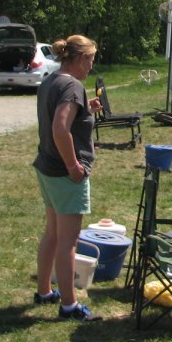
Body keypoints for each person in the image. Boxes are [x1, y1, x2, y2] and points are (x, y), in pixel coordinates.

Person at [32, 34, 103, 321]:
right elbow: (60, 129)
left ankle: (44, 291)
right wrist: (74, 165)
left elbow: (61, 115)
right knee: (68, 242)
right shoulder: (72, 86)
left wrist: (87, 108)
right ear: (81, 58)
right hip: (64, 174)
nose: (91, 68)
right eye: (91, 61)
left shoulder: (52, 80)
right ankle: (70, 306)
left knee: (52, 233)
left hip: (46, 167)